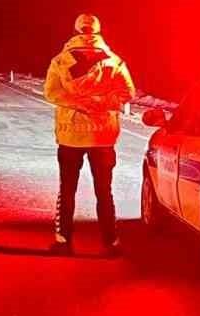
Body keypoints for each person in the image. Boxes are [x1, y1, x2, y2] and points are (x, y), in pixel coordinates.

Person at [43, 13, 136, 256]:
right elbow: (127, 93)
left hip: (70, 135)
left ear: (76, 30)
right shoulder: (114, 62)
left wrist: (78, 103)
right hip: (102, 135)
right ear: (98, 30)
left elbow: (51, 93)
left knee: (67, 189)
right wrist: (100, 101)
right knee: (104, 191)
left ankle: (63, 241)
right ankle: (111, 243)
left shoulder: (61, 60)